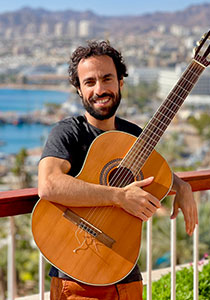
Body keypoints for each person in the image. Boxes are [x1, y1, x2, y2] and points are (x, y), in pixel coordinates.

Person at [38, 40, 198, 300]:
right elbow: (49, 185)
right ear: (79, 90)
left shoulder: (135, 136)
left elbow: (155, 171)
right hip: (76, 279)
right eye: (89, 82)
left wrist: (181, 185)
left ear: (120, 82)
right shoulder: (68, 133)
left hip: (126, 273)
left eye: (107, 79)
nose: (99, 89)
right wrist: (119, 196)